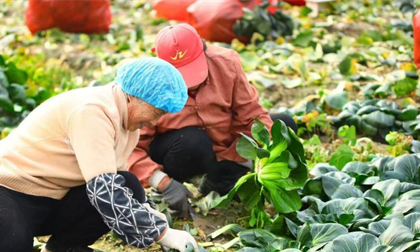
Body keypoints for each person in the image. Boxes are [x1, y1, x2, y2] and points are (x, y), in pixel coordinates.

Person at [0, 58, 199, 252]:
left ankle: (64, 246)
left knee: (129, 184)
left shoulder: (128, 121)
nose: (153, 122)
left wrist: (156, 222)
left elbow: (117, 188)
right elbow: (105, 193)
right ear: (134, 95)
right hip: (7, 189)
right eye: (155, 112)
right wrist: (162, 233)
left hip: (55, 196)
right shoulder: (94, 111)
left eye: (161, 115)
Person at [128, 23, 298, 218]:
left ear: (204, 49)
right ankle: (172, 189)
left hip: (224, 146)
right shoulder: (149, 86)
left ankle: (218, 180)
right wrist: (161, 181)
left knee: (283, 126)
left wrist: (266, 153)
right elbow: (130, 148)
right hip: (180, 152)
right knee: (192, 142)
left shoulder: (227, 64)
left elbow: (251, 113)